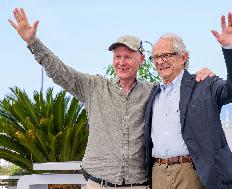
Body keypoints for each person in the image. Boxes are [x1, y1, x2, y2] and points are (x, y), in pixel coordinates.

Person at [9, 8, 214, 189]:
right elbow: (59, 71)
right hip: (97, 184)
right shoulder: (94, 87)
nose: (121, 62)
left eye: (128, 56)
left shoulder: (154, 91)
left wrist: (200, 75)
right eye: (117, 57)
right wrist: (32, 42)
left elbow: (178, 85)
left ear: (141, 59)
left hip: (139, 185)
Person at [144, 12, 232, 189]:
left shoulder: (204, 84)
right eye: (155, 57)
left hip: (193, 173)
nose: (160, 61)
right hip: (158, 173)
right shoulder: (153, 93)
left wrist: (231, 49)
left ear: (183, 57)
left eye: (166, 55)